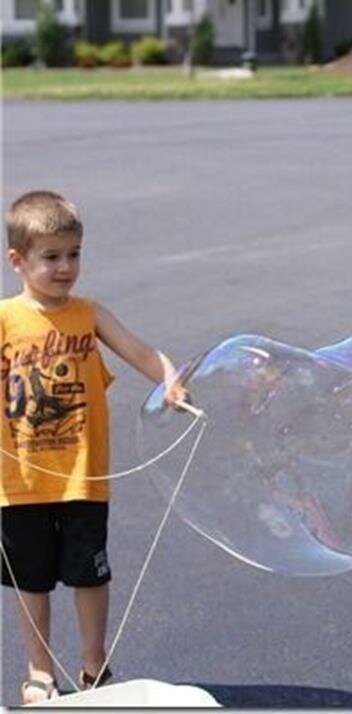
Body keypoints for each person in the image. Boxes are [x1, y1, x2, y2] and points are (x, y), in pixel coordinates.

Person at [1, 190, 185, 704]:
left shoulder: (89, 314)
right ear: (18, 261)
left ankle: (93, 665)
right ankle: (40, 670)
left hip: (84, 475)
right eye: (52, 257)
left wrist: (168, 379)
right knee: (31, 582)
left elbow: (138, 350)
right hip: (19, 484)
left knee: (90, 573)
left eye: (74, 254)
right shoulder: (5, 320)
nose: (66, 267)